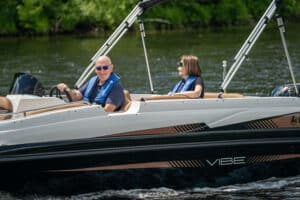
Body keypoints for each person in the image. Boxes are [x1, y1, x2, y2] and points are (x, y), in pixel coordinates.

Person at [57, 55, 125, 112]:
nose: (102, 71)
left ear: (111, 68)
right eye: (98, 68)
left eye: (105, 67)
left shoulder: (116, 87)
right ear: (95, 70)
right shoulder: (93, 81)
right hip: (87, 113)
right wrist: (67, 89)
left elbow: (106, 112)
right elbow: (76, 97)